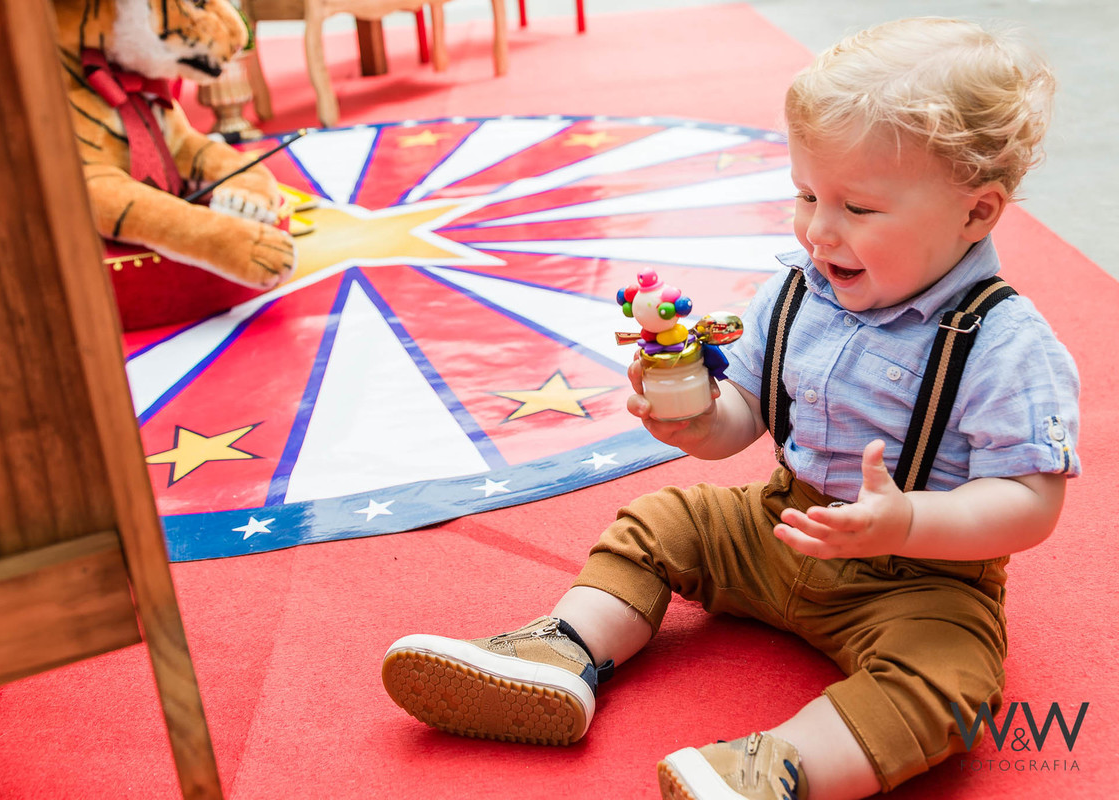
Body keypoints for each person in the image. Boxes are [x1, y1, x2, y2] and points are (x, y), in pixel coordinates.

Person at [381, 16, 1080, 800]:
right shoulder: (798, 289)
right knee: (662, 522)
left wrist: (908, 520)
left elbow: (1031, 501)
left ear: (977, 213)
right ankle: (563, 653)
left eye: (859, 208)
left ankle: (771, 769)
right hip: (781, 526)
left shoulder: (1004, 343)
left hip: (921, 581)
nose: (819, 229)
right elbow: (743, 411)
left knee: (952, 684)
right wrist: (698, 422)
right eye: (807, 193)